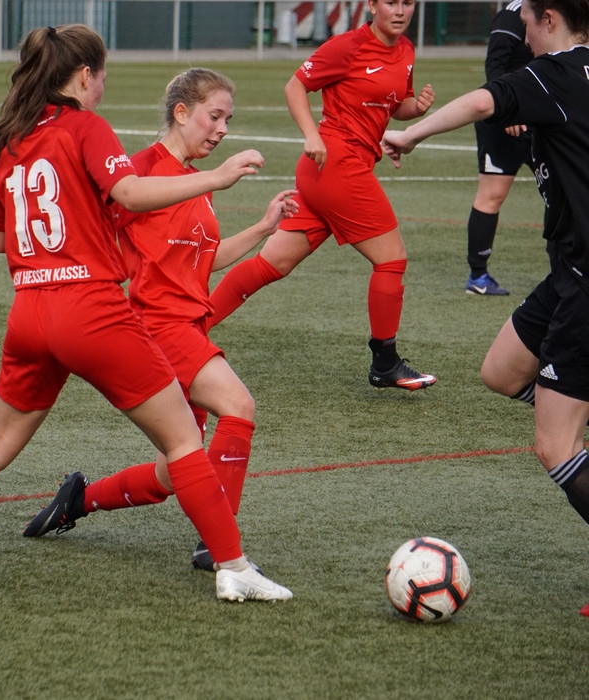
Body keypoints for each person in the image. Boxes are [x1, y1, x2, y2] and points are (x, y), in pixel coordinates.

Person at [0, 25, 292, 603]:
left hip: (28, 312)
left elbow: (1, 242)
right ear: (85, 76)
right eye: (102, 78)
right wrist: (218, 177)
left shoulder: (17, 140)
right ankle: (233, 567)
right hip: (88, 308)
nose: (102, 91)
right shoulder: (87, 127)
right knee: (184, 443)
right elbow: (131, 195)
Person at [21, 68, 298, 576]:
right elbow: (95, 230)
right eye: (214, 116)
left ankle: (77, 502)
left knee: (178, 471)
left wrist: (263, 226)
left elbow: (203, 259)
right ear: (181, 112)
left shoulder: (194, 180)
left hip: (190, 327)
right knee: (239, 406)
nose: (222, 130)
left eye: (228, 120)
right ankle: (221, 547)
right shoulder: (141, 171)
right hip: (157, 326)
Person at [381, 0, 589, 618]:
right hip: (567, 269)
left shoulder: (559, 70)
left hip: (586, 282)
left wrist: (410, 133)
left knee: (554, 446)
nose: (518, 29)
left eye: (525, 18)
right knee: (502, 371)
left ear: (549, 18)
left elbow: (478, 101)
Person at [205, 0, 438, 392]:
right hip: (336, 165)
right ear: (373, 5)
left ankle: (186, 327)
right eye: (390, 2)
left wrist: (416, 109)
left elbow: (392, 104)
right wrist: (311, 134)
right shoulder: (347, 46)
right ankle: (385, 363)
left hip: (334, 170)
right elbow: (295, 85)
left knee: (272, 264)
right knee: (392, 259)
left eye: (408, 3)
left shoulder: (407, 51)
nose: (400, 10)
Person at [465, 0, 535, 296]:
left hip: (543, 122)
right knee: (492, 195)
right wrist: (507, 111)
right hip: (505, 124)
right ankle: (478, 277)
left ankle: (568, 267)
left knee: (566, 191)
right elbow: (495, 67)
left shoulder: (561, 12)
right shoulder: (513, 14)